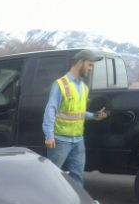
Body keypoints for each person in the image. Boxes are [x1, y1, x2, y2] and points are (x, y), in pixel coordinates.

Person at [42, 49, 109, 186]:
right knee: (52, 175)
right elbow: (51, 110)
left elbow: (78, 113)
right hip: (60, 139)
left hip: (78, 139)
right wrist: (49, 135)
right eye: (90, 65)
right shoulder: (60, 84)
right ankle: (48, 203)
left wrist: (94, 116)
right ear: (80, 62)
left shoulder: (83, 88)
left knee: (77, 176)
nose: (91, 69)